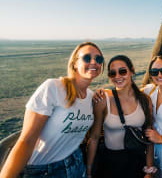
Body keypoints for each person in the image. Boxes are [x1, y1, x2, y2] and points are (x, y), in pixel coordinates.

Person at [0, 41, 104, 178]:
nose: (93, 62)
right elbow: (26, 140)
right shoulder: (53, 88)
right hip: (45, 170)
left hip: (77, 164)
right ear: (74, 63)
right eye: (86, 58)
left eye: (98, 59)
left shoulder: (91, 97)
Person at [86, 55, 153, 178]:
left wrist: (149, 170)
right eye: (112, 73)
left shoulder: (144, 100)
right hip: (111, 163)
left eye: (122, 71)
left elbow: (149, 137)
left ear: (132, 71)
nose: (117, 76)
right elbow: (94, 137)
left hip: (137, 161)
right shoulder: (103, 99)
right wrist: (89, 172)